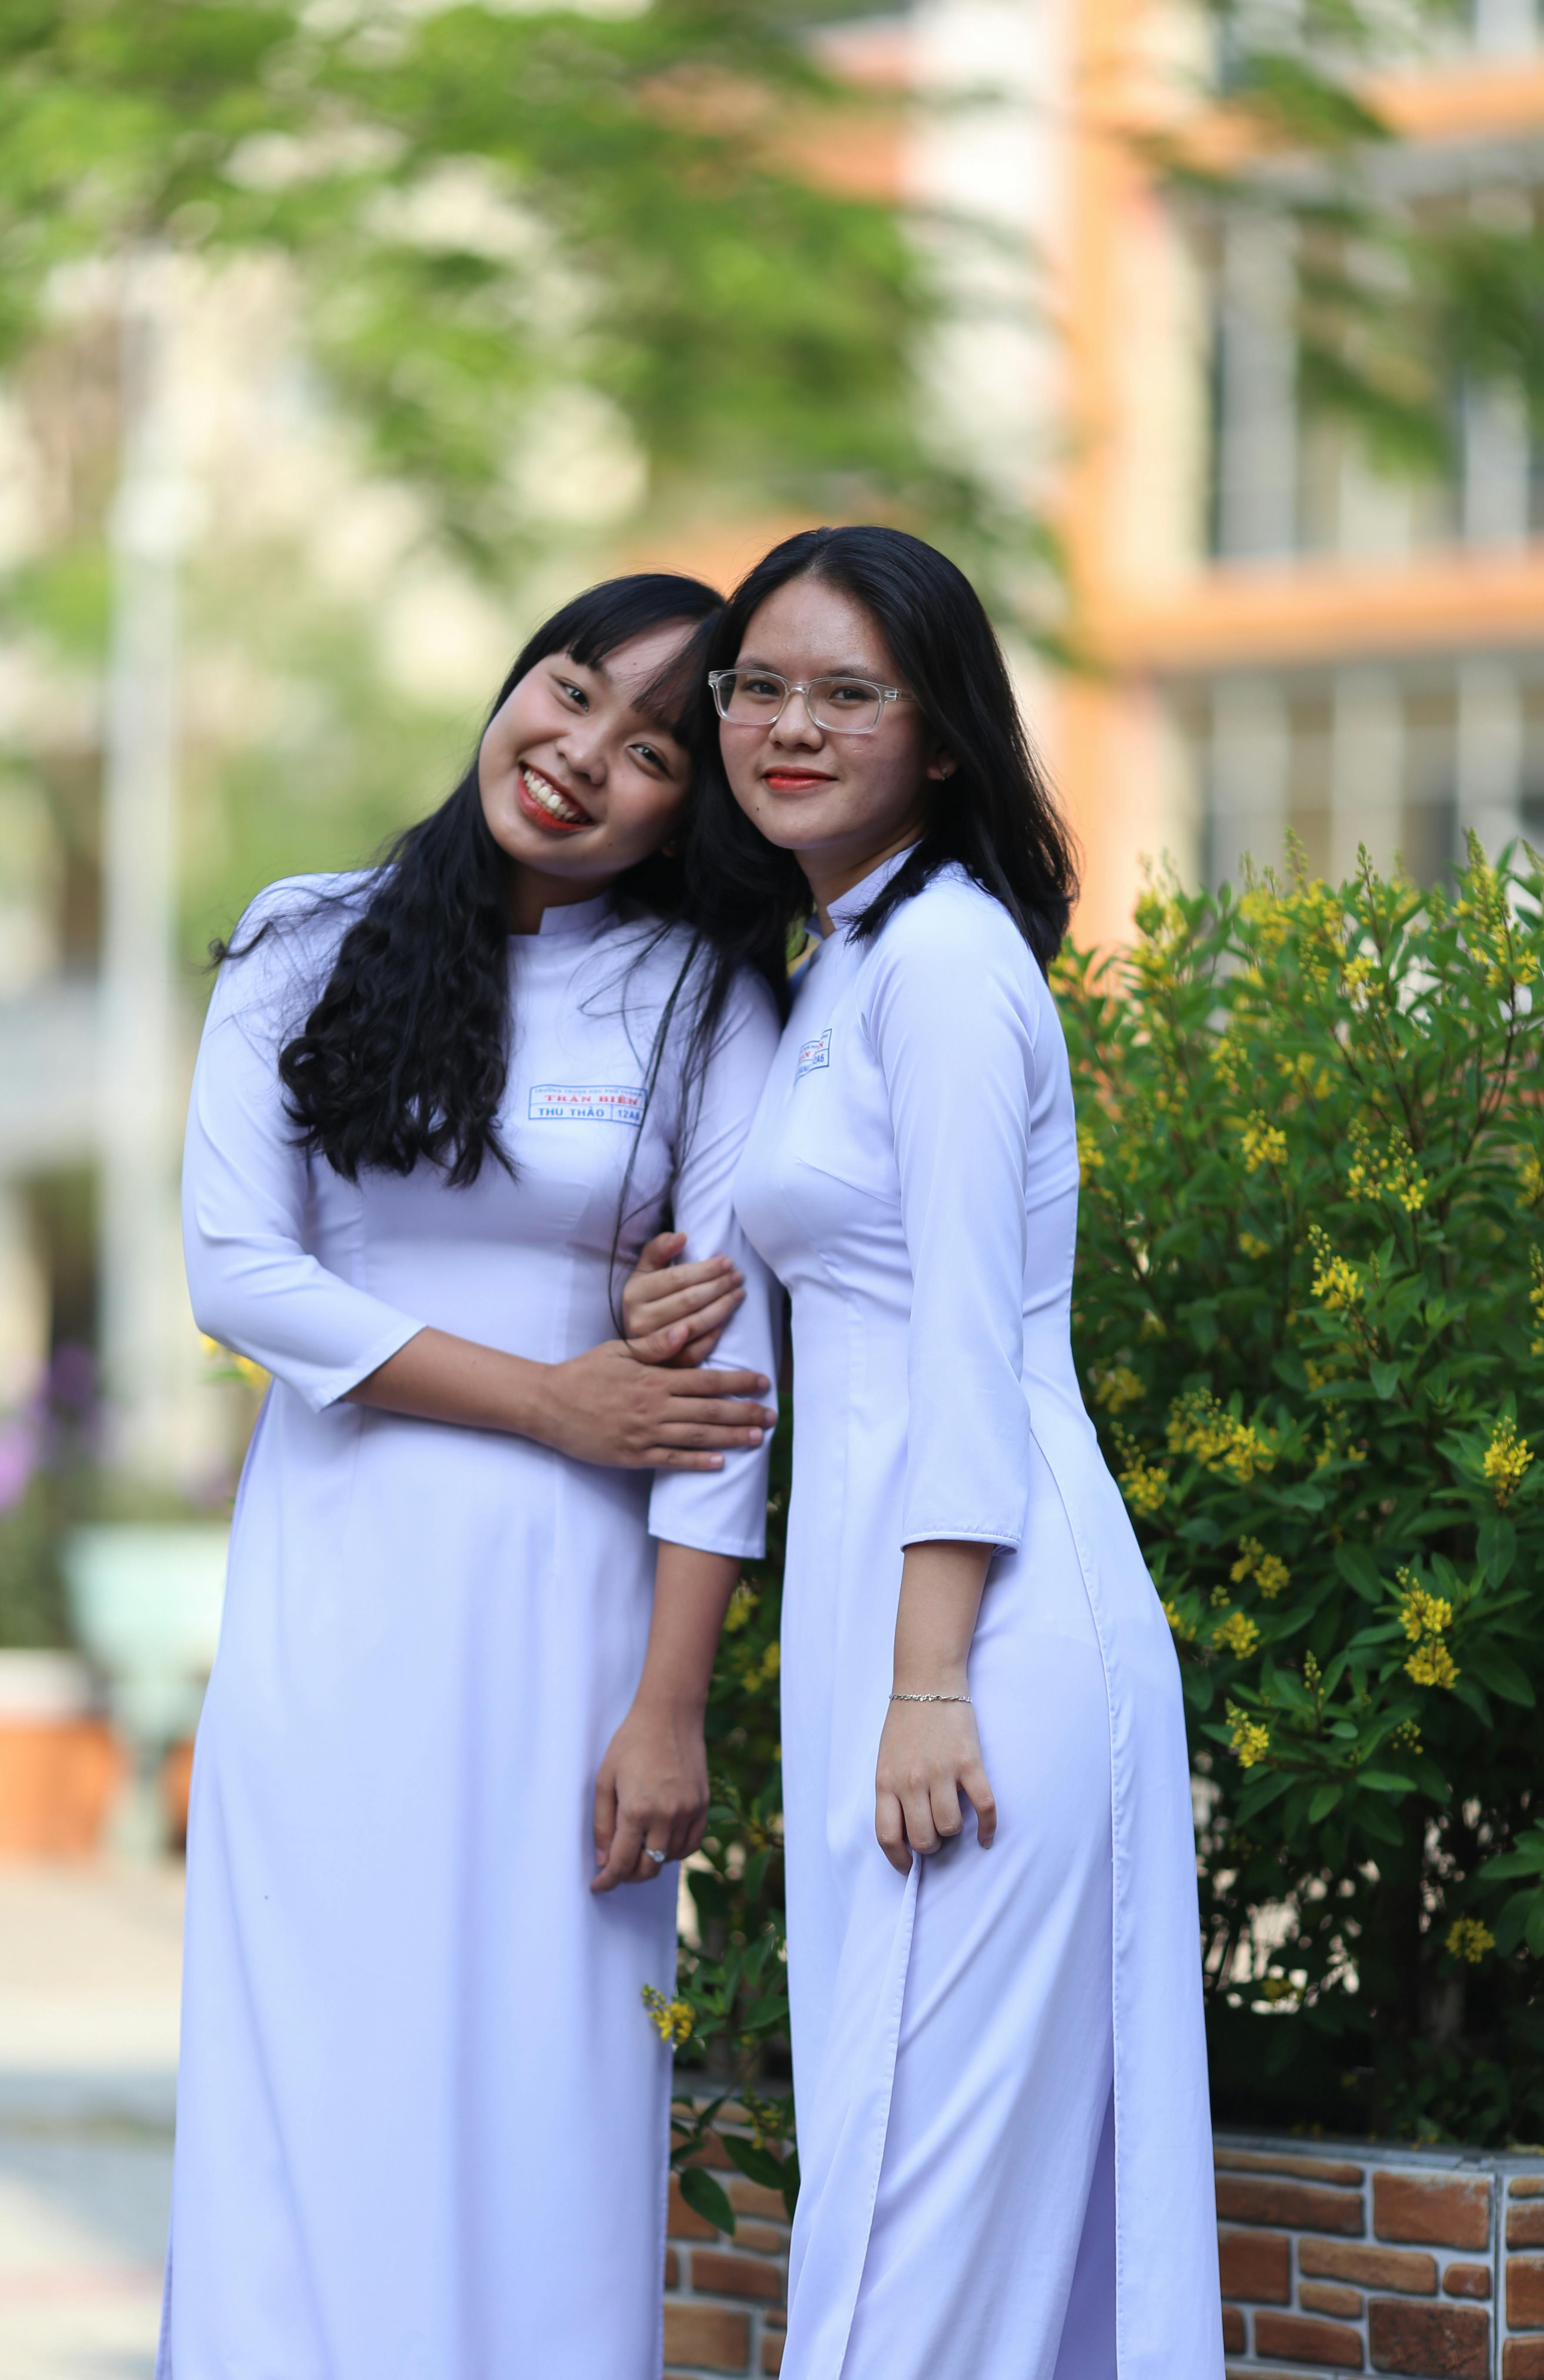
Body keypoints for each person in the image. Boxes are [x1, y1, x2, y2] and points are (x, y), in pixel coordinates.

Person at [162, 575, 786, 2380]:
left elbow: (722, 1385)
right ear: (516, 678)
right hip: (336, 1597)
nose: (580, 757)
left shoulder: (700, 1000)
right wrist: (550, 1400)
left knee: (550, 2083)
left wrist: (672, 1706)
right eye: (571, 692)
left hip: (574, 1638)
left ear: (696, 802)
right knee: (314, 2061)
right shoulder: (310, 939)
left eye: (653, 748)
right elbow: (240, 1273)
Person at [687, 526, 1222, 2379]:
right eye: (759, 686)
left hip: (982, 1643)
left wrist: (927, 1688)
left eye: (849, 691)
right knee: (914, 2209)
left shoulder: (946, 966)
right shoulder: (839, 958)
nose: (791, 724)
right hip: (889, 1635)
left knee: (905, 2255)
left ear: (941, 733)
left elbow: (973, 1351)